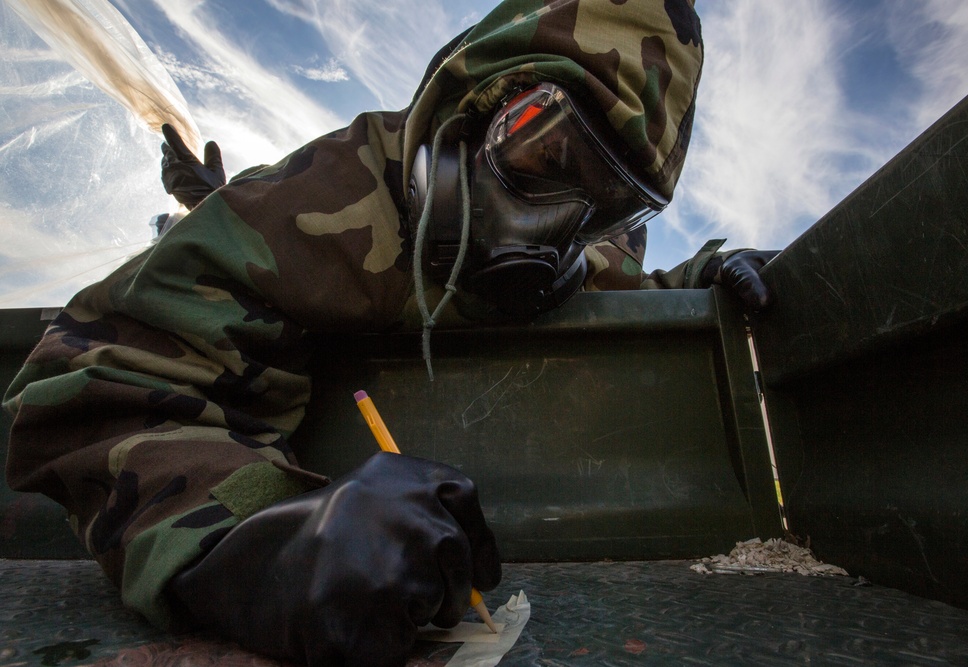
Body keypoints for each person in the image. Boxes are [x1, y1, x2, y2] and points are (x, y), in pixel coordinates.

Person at [4, 1, 774, 665]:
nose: (554, 235)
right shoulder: (319, 204)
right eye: (547, 154)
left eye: (610, 204)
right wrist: (262, 542)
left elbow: (632, 282)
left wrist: (706, 273)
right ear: (469, 106)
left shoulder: (585, 255)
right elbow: (97, 387)